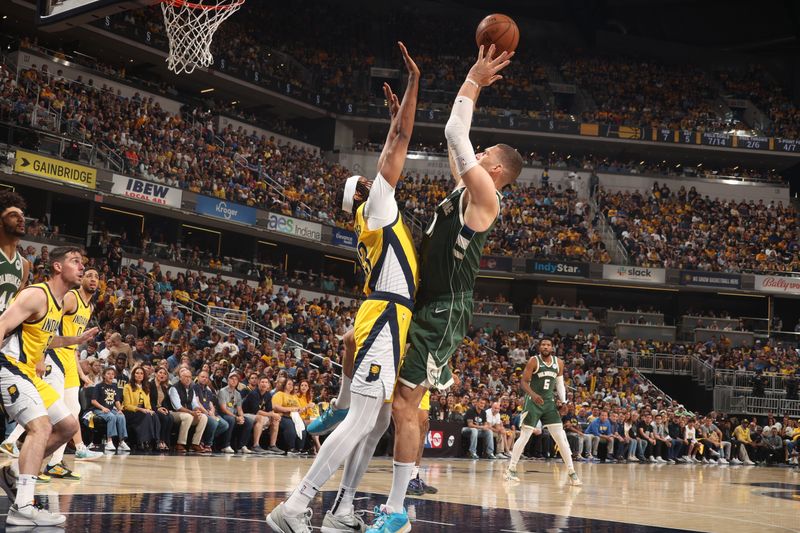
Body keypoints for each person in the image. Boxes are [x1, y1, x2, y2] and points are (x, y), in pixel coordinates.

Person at [268, 41, 421, 533]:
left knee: (375, 422)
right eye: (367, 180)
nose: (374, 178)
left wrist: (394, 125)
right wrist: (413, 91)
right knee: (360, 420)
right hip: (383, 315)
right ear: (362, 194)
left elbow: (390, 153)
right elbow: (395, 152)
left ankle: (341, 509)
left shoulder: (375, 215)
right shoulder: (377, 208)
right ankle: (296, 504)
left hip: (387, 317)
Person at [370, 43, 520, 533]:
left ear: (495, 171)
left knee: (404, 405)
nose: (477, 154)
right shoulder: (465, 187)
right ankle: (391, 503)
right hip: (427, 302)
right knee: (394, 401)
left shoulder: (486, 198)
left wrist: (473, 78)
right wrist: (399, 123)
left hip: (445, 310)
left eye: (486, 154)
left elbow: (457, 131)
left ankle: (396, 512)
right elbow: (455, 138)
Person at [0, 246, 96, 526]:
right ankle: (23, 506)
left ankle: (15, 472)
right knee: (40, 426)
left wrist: (74, 341)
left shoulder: (58, 301)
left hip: (29, 372)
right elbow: (3, 324)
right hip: (9, 367)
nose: (81, 267)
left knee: (68, 426)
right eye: (75, 262)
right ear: (57, 266)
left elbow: (45, 339)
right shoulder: (37, 294)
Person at [504, 339, 581, 486]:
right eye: (543, 345)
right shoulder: (534, 361)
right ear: (540, 347)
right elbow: (524, 382)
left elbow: (559, 383)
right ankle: (511, 469)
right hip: (533, 402)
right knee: (525, 435)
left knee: (560, 437)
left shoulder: (558, 362)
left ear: (552, 348)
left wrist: (564, 402)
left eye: (548, 345)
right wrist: (533, 395)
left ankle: (572, 472)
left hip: (549, 403)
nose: (545, 347)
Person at [0, 191, 31, 460]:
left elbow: (15, 309)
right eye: (13, 215)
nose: (20, 220)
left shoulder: (25, 265)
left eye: (22, 216)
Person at [168, 367, 209, 453]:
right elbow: (177, 407)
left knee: (203, 417)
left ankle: (195, 443)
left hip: (188, 413)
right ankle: (180, 444)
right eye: (185, 376)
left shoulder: (191, 389)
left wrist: (197, 410)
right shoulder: (174, 388)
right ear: (180, 377)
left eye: (189, 377)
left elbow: (194, 404)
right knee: (188, 417)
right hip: (174, 413)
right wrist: (191, 412)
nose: (188, 379)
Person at [91, 366, 130, 453]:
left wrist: (120, 410)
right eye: (108, 374)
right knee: (111, 417)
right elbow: (93, 401)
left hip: (110, 409)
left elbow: (117, 401)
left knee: (121, 416)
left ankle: (121, 441)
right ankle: (109, 441)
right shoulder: (98, 386)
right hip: (98, 409)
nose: (111, 376)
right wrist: (103, 408)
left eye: (112, 374)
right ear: (104, 375)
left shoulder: (114, 386)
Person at [122, 365, 160, 450]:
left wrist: (149, 410)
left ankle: (156, 441)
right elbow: (127, 405)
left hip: (143, 411)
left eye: (141, 373)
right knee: (146, 416)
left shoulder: (146, 387)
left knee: (154, 415)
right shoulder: (127, 386)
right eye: (137, 373)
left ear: (144, 376)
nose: (139, 375)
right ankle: (143, 441)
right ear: (133, 375)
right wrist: (141, 409)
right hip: (130, 411)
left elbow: (148, 403)